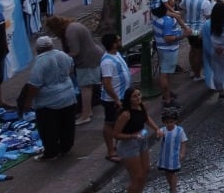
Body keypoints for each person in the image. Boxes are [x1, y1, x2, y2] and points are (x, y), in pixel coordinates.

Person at [20, 36, 78, 161]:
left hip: (49, 102)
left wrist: (28, 102)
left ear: (37, 49)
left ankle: (51, 153)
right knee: (67, 125)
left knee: (49, 129)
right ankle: (65, 147)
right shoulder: (63, 55)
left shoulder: (41, 62)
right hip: (68, 95)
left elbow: (34, 85)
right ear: (51, 45)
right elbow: (71, 68)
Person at [45, 14, 103, 125]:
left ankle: (86, 114)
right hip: (91, 57)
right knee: (86, 86)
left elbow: (75, 51)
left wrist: (60, 59)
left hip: (88, 60)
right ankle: (87, 111)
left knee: (85, 87)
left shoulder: (70, 32)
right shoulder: (72, 27)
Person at [113, 87, 160, 193]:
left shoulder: (141, 106)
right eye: (134, 96)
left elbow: (146, 118)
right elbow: (116, 134)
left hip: (141, 141)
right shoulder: (126, 114)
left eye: (139, 94)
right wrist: (133, 136)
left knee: (146, 170)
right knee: (137, 177)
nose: (138, 98)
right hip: (128, 145)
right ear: (129, 99)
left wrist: (156, 129)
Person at [100, 32, 131, 162]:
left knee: (121, 121)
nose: (120, 41)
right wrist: (116, 99)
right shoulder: (107, 62)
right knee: (110, 123)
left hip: (122, 95)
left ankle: (117, 145)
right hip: (113, 99)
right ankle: (110, 151)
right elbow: (106, 83)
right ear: (113, 44)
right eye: (118, 40)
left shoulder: (116, 54)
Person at [156, 109, 188, 193]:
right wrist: (158, 135)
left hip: (174, 156)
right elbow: (158, 138)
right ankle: (171, 186)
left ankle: (173, 189)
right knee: (167, 172)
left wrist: (182, 153)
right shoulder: (163, 130)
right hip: (164, 156)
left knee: (172, 173)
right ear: (164, 122)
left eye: (171, 122)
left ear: (175, 121)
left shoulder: (179, 130)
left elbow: (184, 141)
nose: (169, 124)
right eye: (167, 122)